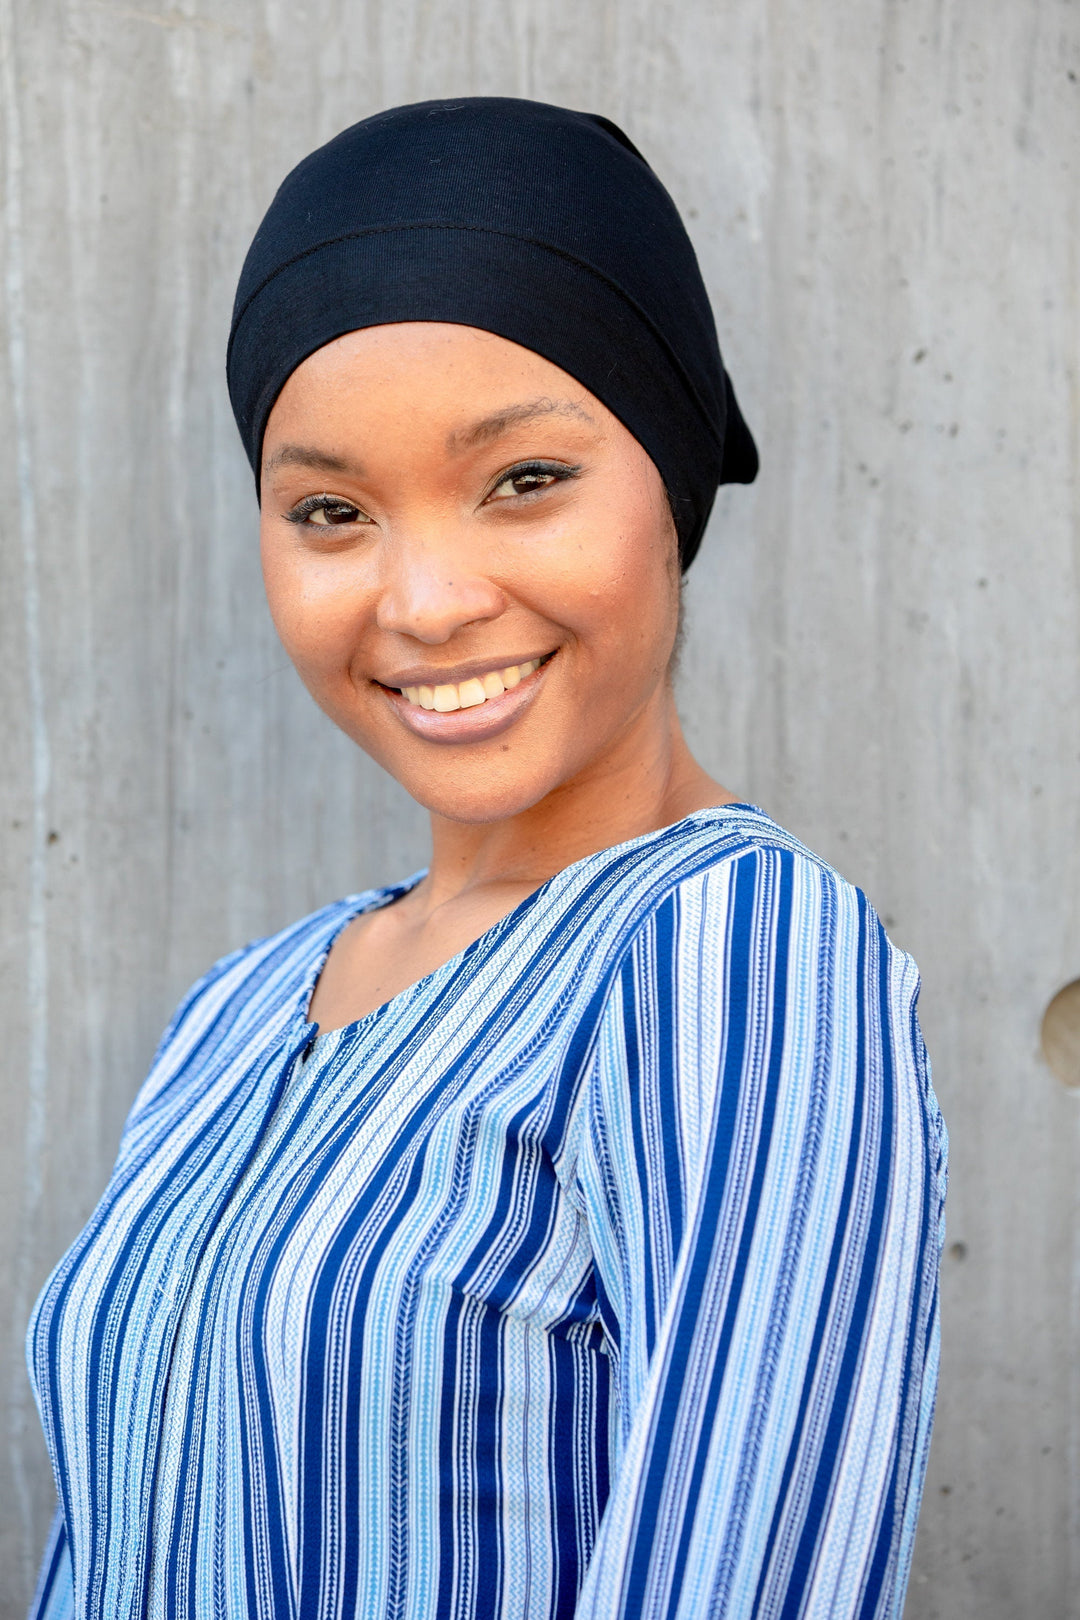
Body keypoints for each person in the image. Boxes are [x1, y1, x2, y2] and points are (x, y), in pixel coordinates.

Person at [27, 98, 946, 1620]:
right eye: (332, 510)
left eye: (524, 480)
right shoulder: (240, 1009)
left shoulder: (739, 953)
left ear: (668, 483)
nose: (429, 599)